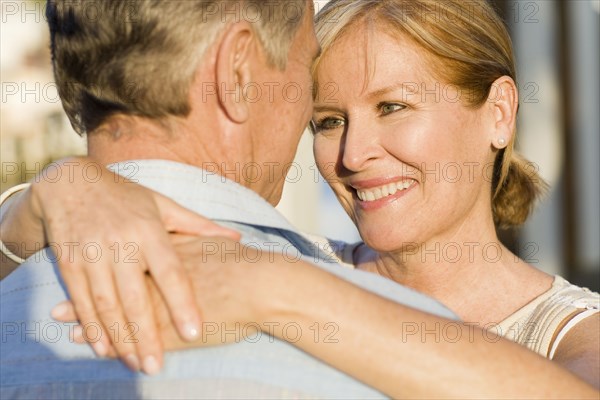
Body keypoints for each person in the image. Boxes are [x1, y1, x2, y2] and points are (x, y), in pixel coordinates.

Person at [1, 0, 598, 398]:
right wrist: (59, 188)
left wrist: (266, 288)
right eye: (328, 121)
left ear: (498, 114)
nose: (354, 153)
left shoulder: (574, 331)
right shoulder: (283, 250)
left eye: (393, 106)